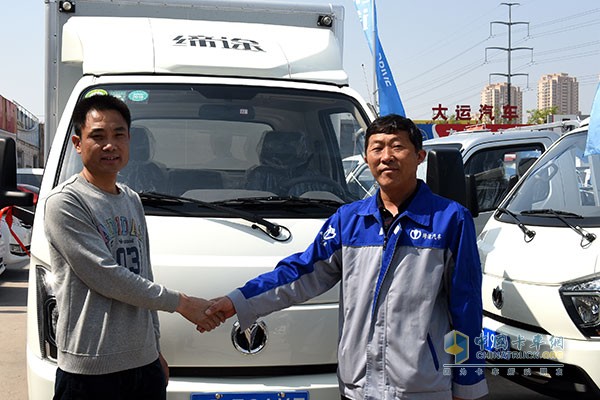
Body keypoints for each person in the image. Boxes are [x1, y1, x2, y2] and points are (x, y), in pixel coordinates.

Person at [203, 114, 488, 400]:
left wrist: (467, 384)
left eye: (397, 146)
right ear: (366, 158)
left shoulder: (450, 220)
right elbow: (300, 273)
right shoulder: (348, 221)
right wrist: (237, 301)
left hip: (423, 387)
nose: (386, 157)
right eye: (377, 148)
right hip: (358, 387)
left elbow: (466, 307)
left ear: (419, 156)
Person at [44, 94, 222, 400]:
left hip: (144, 364)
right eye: (97, 136)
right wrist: (182, 303)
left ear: (129, 140)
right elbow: (105, 275)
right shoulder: (65, 202)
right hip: (90, 369)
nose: (110, 145)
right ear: (77, 143)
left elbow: (143, 273)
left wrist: (154, 349)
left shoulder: (131, 199)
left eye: (119, 135)